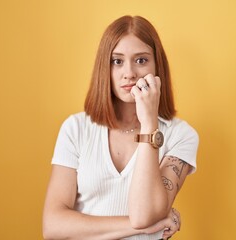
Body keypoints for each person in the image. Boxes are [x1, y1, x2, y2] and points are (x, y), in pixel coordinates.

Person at [42, 15, 199, 240]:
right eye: (117, 61)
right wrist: (144, 227)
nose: (129, 73)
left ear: (157, 66)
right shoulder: (75, 128)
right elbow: (53, 226)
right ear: (104, 67)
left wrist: (149, 124)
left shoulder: (181, 135)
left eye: (141, 60)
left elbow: (143, 215)